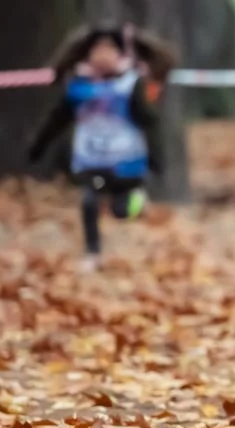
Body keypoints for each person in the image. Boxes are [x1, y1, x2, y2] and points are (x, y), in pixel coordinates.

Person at [27, 26, 174, 273]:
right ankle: (92, 252)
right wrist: (38, 147)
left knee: (120, 210)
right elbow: (57, 119)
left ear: (120, 54)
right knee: (89, 200)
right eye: (97, 49)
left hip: (127, 161)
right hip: (91, 159)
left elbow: (150, 120)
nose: (102, 55)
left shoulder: (132, 84)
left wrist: (156, 157)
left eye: (109, 49)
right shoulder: (78, 87)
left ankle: (135, 199)